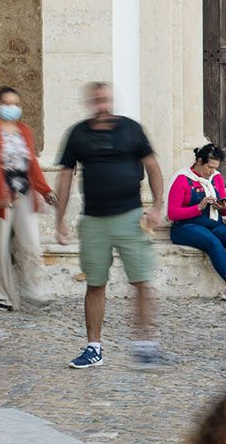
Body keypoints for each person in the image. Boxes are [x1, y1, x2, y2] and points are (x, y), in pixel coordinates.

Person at [55, 82, 167, 369]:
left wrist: (157, 206)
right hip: (93, 221)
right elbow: (65, 176)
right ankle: (94, 348)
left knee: (141, 281)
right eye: (96, 100)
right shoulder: (78, 133)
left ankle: (145, 345)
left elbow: (153, 166)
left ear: (111, 100)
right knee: (95, 284)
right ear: (89, 102)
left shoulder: (131, 129)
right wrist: (60, 220)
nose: (101, 104)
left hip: (130, 217)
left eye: (105, 99)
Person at [0, 86, 52, 313]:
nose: (12, 108)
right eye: (7, 103)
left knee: (30, 243)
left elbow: (31, 162)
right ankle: (2, 296)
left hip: (22, 190)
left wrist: (45, 189)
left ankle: (33, 291)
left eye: (16, 103)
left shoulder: (24, 130)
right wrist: (0, 191)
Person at [170, 143, 226, 303]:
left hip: (213, 224)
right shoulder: (182, 179)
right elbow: (172, 213)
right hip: (185, 227)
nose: (212, 171)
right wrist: (199, 207)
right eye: (209, 167)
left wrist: (222, 207)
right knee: (213, 242)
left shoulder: (216, 177)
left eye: (215, 167)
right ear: (199, 161)